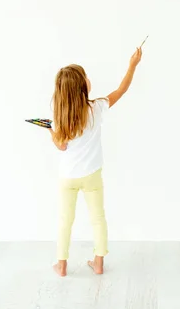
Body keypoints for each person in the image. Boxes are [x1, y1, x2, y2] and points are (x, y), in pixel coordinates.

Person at [47, 46, 143, 276]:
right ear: (82, 86)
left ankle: (61, 265)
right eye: (85, 77)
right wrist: (132, 65)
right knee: (98, 218)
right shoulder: (97, 108)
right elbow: (122, 89)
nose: (89, 79)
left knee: (64, 221)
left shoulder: (59, 117)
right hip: (92, 176)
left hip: (68, 177)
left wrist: (51, 130)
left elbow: (61, 146)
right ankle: (98, 262)